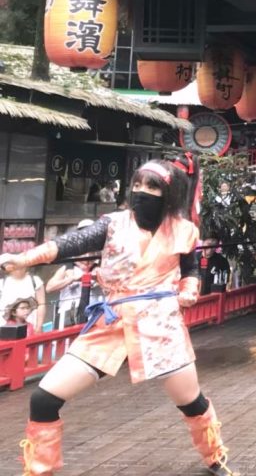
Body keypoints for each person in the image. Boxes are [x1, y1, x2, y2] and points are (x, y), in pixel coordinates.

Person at [0, 160, 234, 476]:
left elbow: (190, 268)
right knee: (44, 398)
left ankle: (215, 457)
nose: (141, 192)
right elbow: (69, 244)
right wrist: (23, 259)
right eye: (137, 185)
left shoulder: (184, 230)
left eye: (151, 187)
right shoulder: (112, 224)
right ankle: (40, 470)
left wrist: (190, 289)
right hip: (112, 323)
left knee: (191, 402)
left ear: (168, 194)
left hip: (161, 326)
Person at [46, 221, 100, 329]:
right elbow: (49, 288)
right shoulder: (67, 268)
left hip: (95, 315)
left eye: (90, 253)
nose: (87, 256)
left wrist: (96, 279)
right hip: (68, 316)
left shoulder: (99, 267)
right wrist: (71, 279)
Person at [0, 255, 46, 333]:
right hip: (4, 328)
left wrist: (39, 326)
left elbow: (42, 304)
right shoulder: (2, 283)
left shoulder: (35, 281)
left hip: (31, 327)